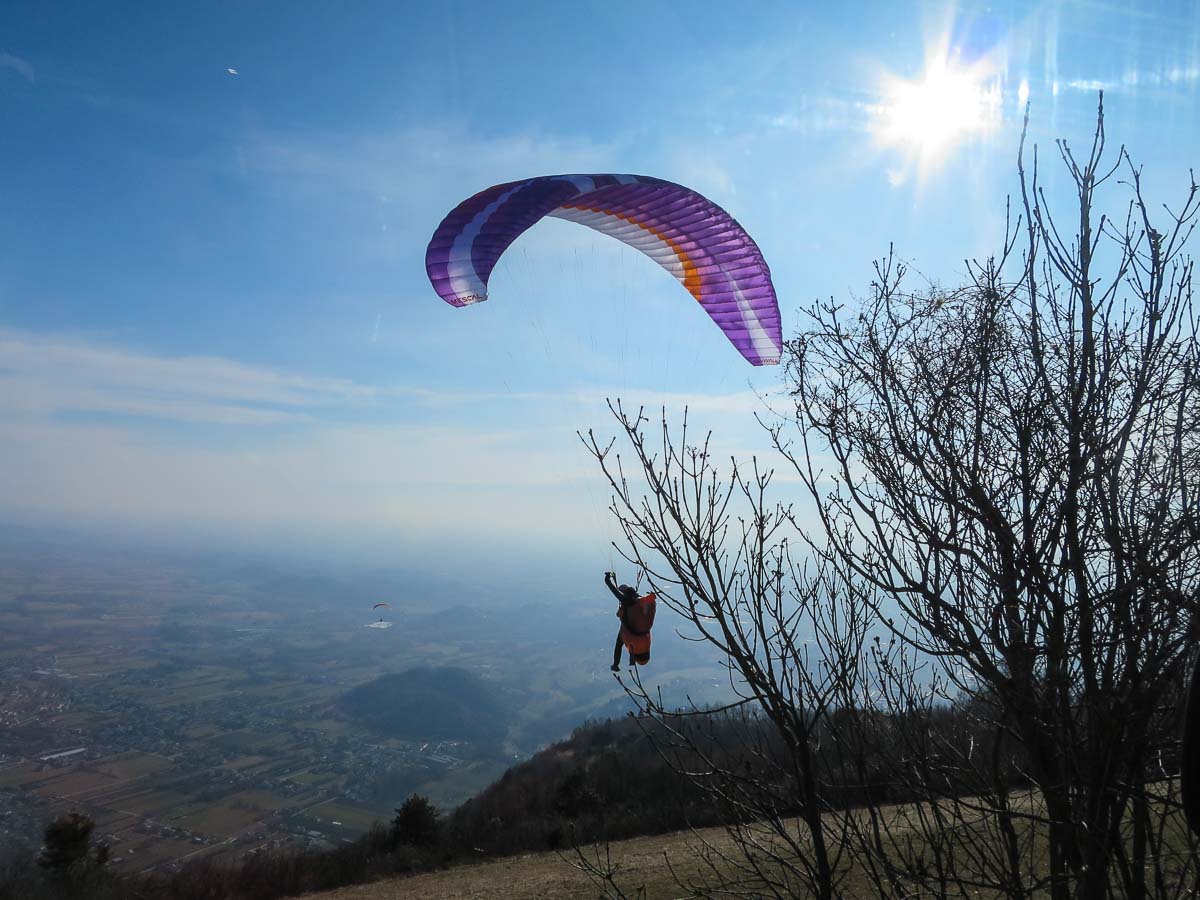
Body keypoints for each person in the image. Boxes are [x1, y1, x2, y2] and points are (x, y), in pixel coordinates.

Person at [604, 571, 657, 672]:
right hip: (638, 638)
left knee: (619, 643)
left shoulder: (629, 601)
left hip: (634, 633)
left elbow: (616, 592)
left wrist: (607, 581)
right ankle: (618, 664)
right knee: (619, 643)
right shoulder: (638, 601)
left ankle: (616, 665)